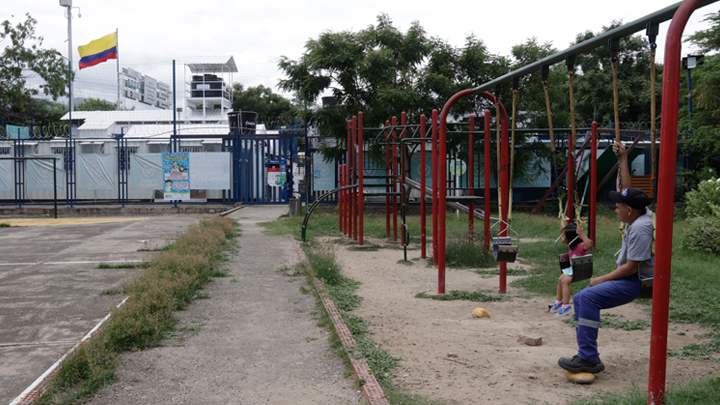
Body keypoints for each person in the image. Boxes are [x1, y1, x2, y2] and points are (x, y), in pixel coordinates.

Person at [558, 141, 654, 374]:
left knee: (587, 299)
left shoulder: (641, 228)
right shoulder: (639, 214)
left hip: (634, 282)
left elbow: (631, 269)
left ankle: (589, 359)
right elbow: (627, 191)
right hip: (629, 278)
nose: (615, 209)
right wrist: (623, 158)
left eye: (617, 206)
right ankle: (587, 355)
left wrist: (600, 279)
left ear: (629, 210)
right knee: (582, 299)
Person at [550, 224, 594, 318]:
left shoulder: (580, 245)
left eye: (565, 236)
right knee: (560, 279)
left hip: (580, 268)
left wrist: (582, 234)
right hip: (572, 268)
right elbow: (564, 240)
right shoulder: (571, 244)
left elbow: (588, 245)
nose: (563, 238)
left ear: (570, 238)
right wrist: (562, 232)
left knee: (565, 282)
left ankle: (566, 306)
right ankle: (559, 301)